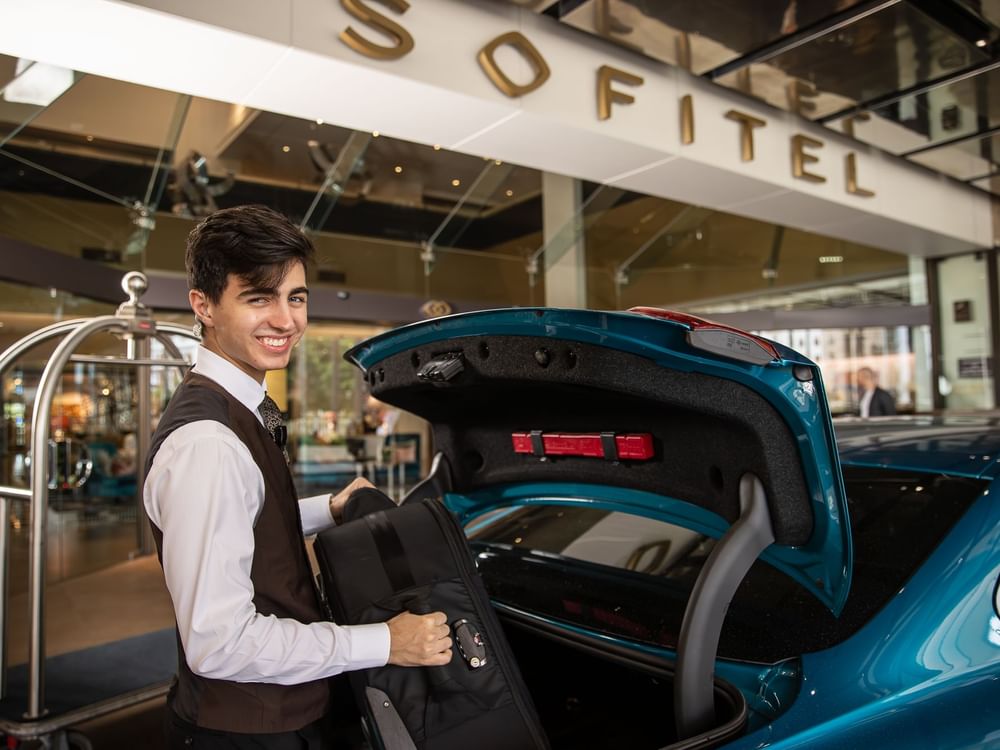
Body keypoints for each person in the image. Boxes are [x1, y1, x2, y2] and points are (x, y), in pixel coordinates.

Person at [143, 205, 452, 749]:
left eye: (296, 297)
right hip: (244, 731)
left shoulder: (236, 407)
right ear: (204, 305)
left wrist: (327, 506)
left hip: (282, 712)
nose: (286, 321)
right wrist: (384, 642)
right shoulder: (208, 444)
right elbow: (219, 644)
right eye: (259, 298)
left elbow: (248, 515)